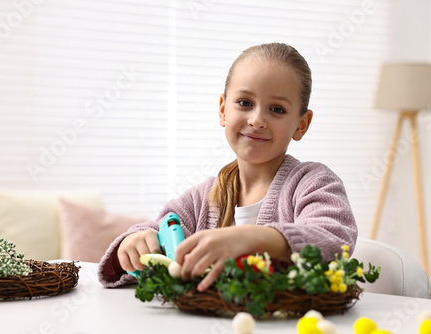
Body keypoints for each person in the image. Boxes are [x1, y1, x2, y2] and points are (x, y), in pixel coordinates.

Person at [97, 42, 357, 291]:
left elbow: (333, 237)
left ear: (302, 124)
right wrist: (131, 247)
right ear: (223, 110)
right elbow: (157, 229)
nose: (256, 120)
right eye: (245, 103)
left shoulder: (314, 182)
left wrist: (249, 239)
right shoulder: (202, 197)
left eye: (277, 109)